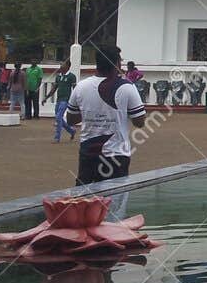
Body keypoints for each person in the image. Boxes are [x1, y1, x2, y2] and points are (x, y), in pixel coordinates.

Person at [64, 46, 147, 185]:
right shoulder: (127, 87)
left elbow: (71, 119)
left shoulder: (81, 87)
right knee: (115, 202)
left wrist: (90, 112)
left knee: (85, 201)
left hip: (88, 155)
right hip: (116, 156)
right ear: (117, 64)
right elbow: (139, 122)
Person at [51, 62, 77, 142]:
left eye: (63, 65)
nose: (61, 66)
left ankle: (57, 137)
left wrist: (76, 99)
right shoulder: (58, 76)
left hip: (66, 100)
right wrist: (46, 97)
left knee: (58, 117)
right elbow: (54, 88)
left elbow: (75, 88)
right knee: (59, 118)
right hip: (59, 99)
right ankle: (71, 131)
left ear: (68, 67)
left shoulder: (71, 76)